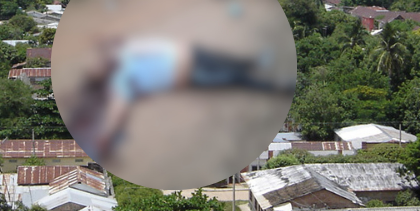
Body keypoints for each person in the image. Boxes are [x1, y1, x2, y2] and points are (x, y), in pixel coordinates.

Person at [75, 35, 291, 162]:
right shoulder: (119, 83)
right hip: (186, 76)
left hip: (186, 57)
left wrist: (179, 52)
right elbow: (118, 109)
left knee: (230, 63)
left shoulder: (124, 54)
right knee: (232, 79)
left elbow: (151, 45)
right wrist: (108, 136)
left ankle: (257, 63)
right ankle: (275, 86)